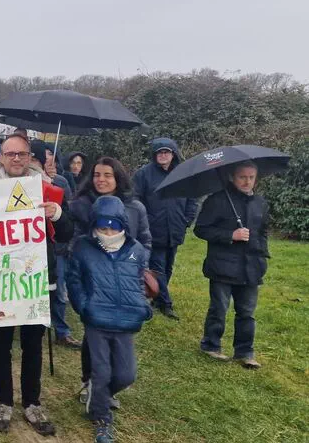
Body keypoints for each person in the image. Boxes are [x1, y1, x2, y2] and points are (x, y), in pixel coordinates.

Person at [0, 134, 74, 437]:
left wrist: (56, 214)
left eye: (22, 154)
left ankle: (32, 402)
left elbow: (67, 233)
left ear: (30, 157)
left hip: (36, 280)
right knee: (1, 344)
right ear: (1, 157)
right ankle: (3, 402)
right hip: (1, 281)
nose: (16, 159)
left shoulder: (48, 189)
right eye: (10, 154)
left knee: (32, 344)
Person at [67, 196, 152, 443]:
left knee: (126, 375)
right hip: (97, 320)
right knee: (102, 371)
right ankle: (102, 418)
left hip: (125, 320)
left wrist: (141, 304)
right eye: (102, 228)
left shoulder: (136, 250)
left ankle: (99, 394)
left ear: (123, 225)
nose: (107, 233)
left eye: (113, 228)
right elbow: (74, 280)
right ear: (94, 225)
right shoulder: (83, 247)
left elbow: (138, 280)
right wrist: (84, 306)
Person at [69, 157, 152, 403]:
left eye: (107, 175)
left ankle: (106, 388)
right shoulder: (81, 204)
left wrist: (138, 265)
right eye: (96, 174)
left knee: (119, 341)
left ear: (118, 178)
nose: (101, 180)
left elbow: (145, 239)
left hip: (124, 282)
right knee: (93, 339)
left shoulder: (135, 207)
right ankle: (91, 382)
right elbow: (73, 238)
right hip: (94, 281)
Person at [194, 162, 268, 369]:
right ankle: (211, 344)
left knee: (247, 312)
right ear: (232, 177)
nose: (247, 181)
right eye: (242, 177)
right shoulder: (217, 200)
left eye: (251, 177)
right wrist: (230, 235)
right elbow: (201, 229)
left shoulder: (260, 203)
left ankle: (244, 352)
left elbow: (263, 230)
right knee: (219, 308)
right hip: (222, 265)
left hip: (251, 267)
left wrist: (262, 252)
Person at [132, 138, 199, 320]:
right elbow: (135, 198)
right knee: (158, 267)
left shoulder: (183, 174)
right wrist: (144, 221)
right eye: (159, 152)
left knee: (168, 267)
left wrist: (187, 220)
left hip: (176, 229)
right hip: (153, 230)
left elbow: (192, 199)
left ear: (173, 154)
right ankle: (165, 304)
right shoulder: (143, 174)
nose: (163, 155)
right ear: (154, 155)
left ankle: (157, 296)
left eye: (166, 152)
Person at [28, 140, 77, 352]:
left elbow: (68, 223)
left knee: (58, 292)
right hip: (27, 254)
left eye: (33, 159)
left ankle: (61, 331)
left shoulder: (59, 184)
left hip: (54, 250)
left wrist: (56, 213)